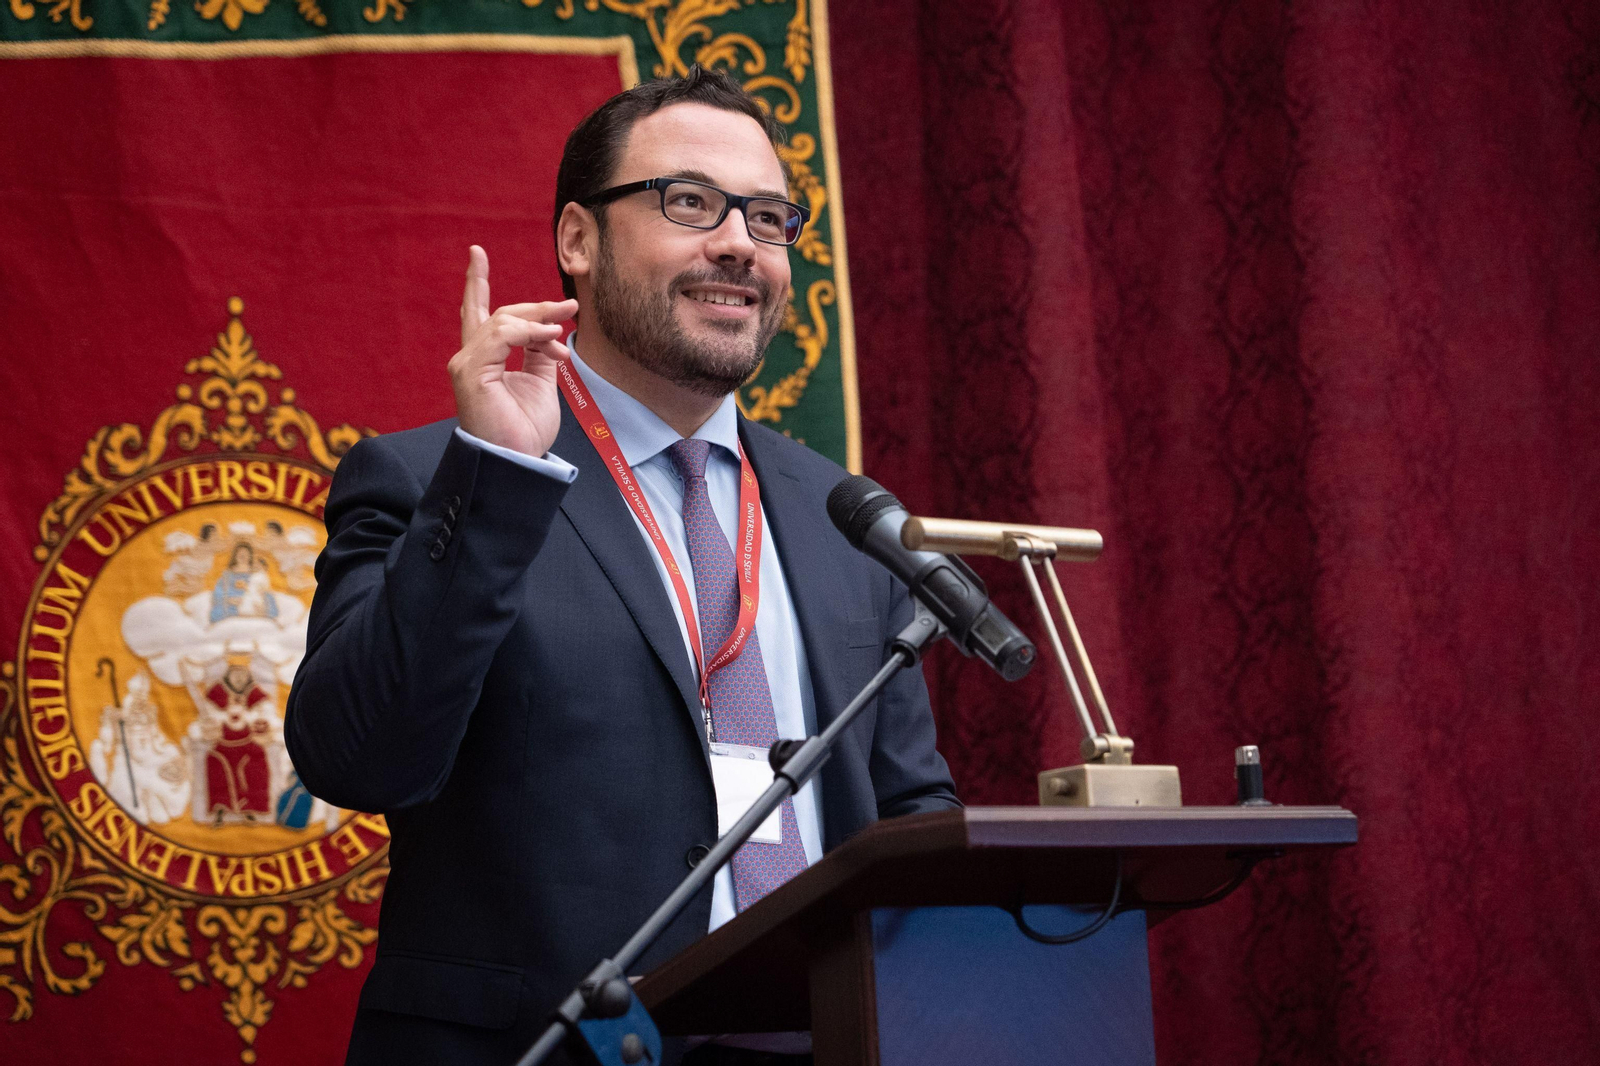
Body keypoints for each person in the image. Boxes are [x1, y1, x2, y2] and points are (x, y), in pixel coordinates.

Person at [285, 66, 959, 1066]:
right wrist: (497, 482)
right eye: (690, 203)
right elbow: (357, 756)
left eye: (769, 218)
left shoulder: (840, 513)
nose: (739, 243)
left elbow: (910, 810)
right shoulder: (440, 480)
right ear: (577, 240)